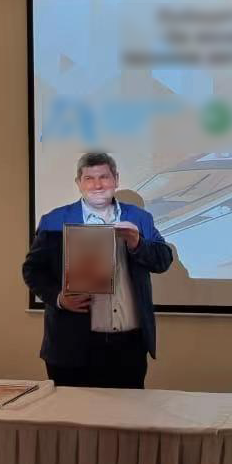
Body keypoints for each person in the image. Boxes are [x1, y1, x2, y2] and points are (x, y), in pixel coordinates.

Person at [22, 152, 172, 388]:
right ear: (78, 183)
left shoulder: (139, 218)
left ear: (116, 179)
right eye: (89, 178)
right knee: (72, 412)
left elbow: (163, 260)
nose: (97, 185)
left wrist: (137, 243)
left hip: (129, 347)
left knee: (129, 411)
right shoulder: (54, 220)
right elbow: (33, 270)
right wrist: (59, 298)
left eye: (104, 177)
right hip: (71, 347)